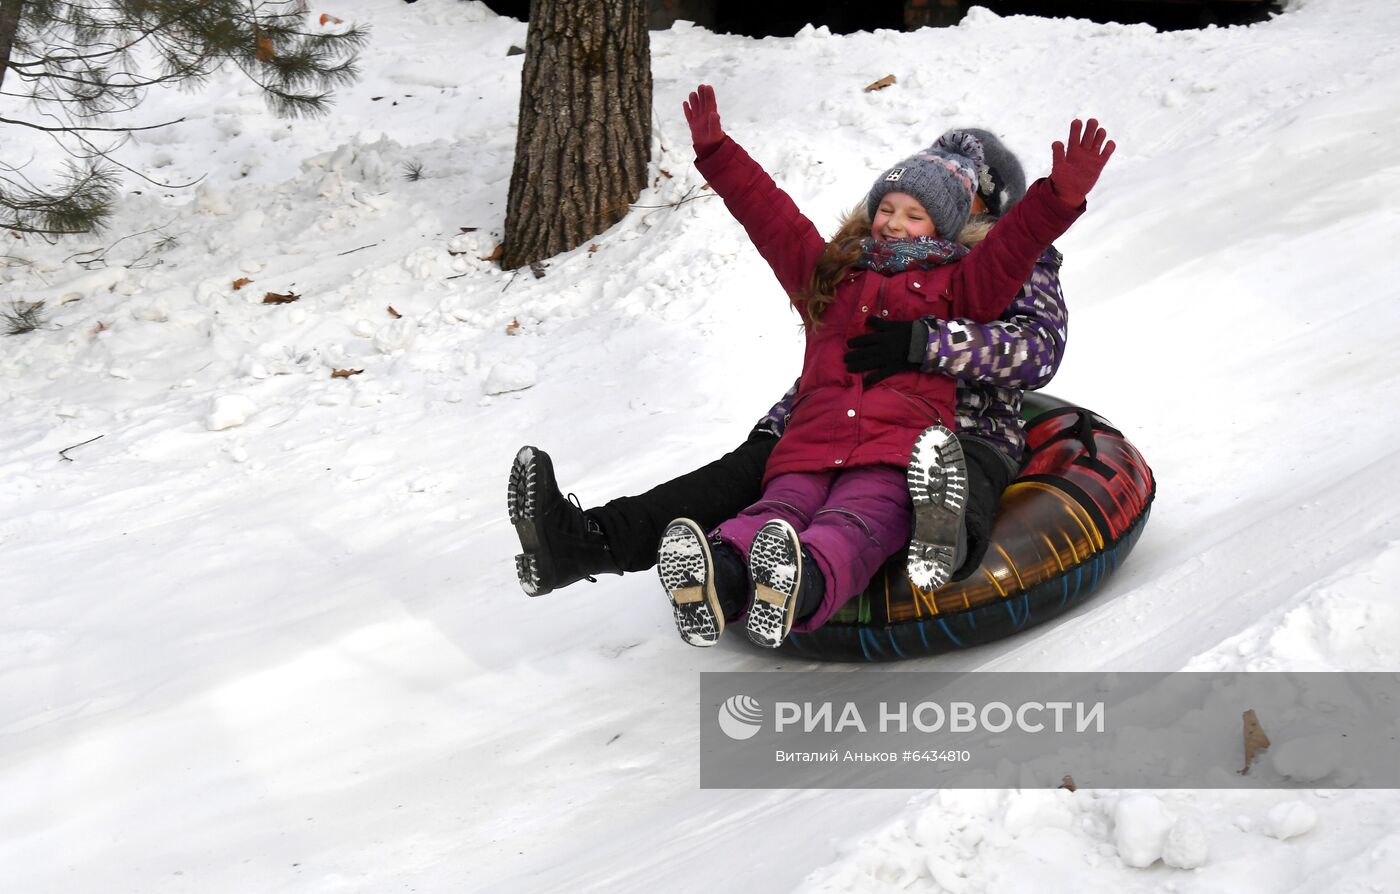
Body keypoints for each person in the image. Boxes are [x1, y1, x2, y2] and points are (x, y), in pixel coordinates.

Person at [638, 85, 1112, 649]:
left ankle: (804, 585)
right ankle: (718, 578)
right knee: (776, 509)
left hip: (894, 448)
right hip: (814, 441)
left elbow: (1013, 247)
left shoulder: (960, 286)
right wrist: (718, 152)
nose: (892, 222)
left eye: (915, 215)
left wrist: (1058, 195)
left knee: (855, 523)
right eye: (885, 208)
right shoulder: (834, 274)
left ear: (945, 227)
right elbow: (772, 219)